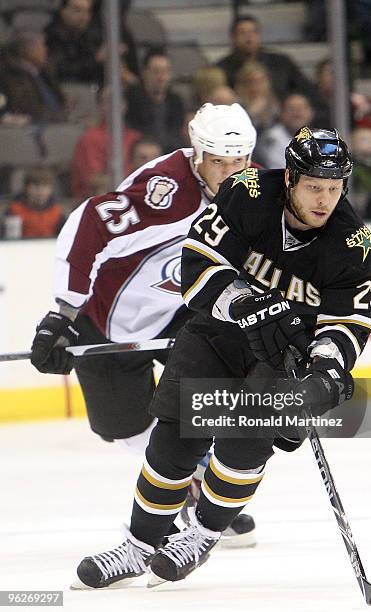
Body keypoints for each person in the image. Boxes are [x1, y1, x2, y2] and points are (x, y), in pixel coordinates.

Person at [64, 127, 371, 589]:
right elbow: (197, 262)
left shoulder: (354, 247)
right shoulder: (246, 193)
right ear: (290, 177)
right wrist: (244, 305)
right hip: (216, 335)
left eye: (334, 189)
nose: (324, 200)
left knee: (242, 448)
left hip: (280, 358)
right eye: (314, 186)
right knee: (173, 440)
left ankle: (204, 534)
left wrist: (322, 378)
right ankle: (137, 545)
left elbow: (346, 325)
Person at [29, 103, 258, 552]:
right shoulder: (166, 193)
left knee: (204, 399)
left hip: (181, 312)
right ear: (198, 154)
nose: (231, 173)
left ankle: (201, 487)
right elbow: (87, 225)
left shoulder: (254, 192)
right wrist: (64, 314)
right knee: (126, 426)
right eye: (219, 162)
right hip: (108, 319)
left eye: (240, 162)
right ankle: (192, 475)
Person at [216, 15, 318, 102]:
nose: (249, 38)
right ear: (233, 38)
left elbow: (307, 91)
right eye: (242, 33)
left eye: (253, 32)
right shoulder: (221, 69)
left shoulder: (281, 63)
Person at [71, 86, 143, 199]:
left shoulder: (136, 137)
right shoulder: (89, 140)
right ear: (100, 106)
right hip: (98, 204)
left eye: (118, 100)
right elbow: (95, 182)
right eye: (108, 101)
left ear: (125, 105)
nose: (114, 105)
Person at [125, 49, 185, 153]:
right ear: (144, 73)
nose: (161, 76)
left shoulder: (176, 101)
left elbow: (177, 134)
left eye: (166, 71)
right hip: (141, 154)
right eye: (156, 71)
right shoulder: (130, 99)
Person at [0, 31, 66, 123]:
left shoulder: (44, 73)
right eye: (42, 46)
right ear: (27, 50)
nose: (45, 50)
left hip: (55, 124)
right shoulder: (10, 76)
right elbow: (26, 108)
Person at [4, 165, 65, 238]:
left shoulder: (57, 212)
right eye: (35, 187)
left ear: (51, 189)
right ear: (26, 188)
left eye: (45, 187)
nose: (40, 191)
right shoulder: (14, 210)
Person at [256, 93, 315, 167]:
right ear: (282, 113)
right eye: (292, 109)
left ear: (311, 113)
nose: (297, 113)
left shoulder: (319, 138)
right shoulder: (271, 138)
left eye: (301, 108)